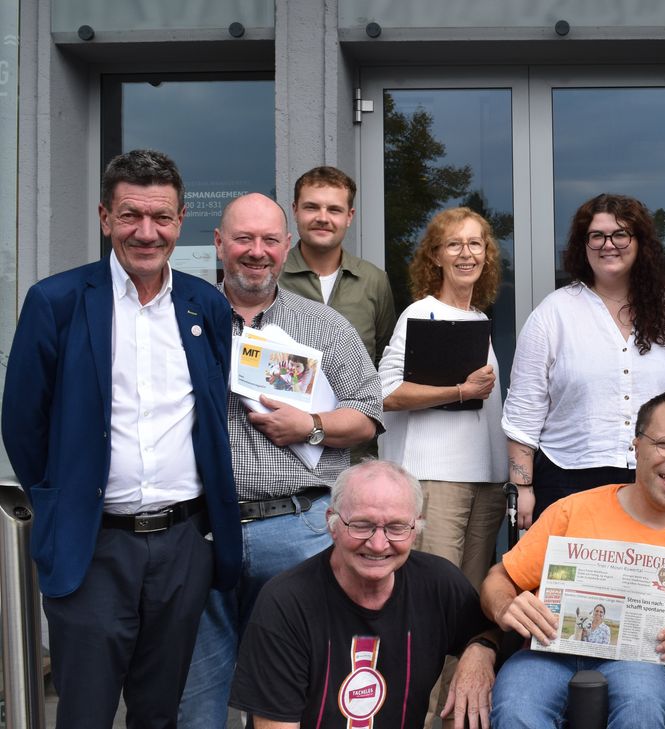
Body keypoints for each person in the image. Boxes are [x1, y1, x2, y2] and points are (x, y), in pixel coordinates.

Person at [1, 149, 241, 728]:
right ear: (105, 217)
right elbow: (22, 423)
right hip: (94, 546)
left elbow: (208, 414)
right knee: (85, 711)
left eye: (161, 217)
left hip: (184, 544)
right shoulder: (56, 301)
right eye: (131, 215)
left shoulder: (204, 304)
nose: (146, 232)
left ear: (180, 220)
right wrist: (64, 498)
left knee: (160, 714)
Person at [178, 193, 384, 728]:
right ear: (219, 244)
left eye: (270, 240)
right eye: (243, 239)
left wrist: (310, 425)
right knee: (198, 697)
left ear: (286, 246)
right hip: (202, 531)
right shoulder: (181, 323)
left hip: (300, 529)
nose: (257, 252)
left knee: (299, 695)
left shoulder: (323, 325)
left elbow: (368, 414)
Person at [482, 391, 665, 729]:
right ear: (636, 445)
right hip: (548, 653)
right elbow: (499, 578)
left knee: (643, 706)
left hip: (643, 663)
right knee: (515, 707)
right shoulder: (573, 511)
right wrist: (505, 605)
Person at [229, 460, 498, 729]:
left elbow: (493, 632)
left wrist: (481, 650)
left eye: (396, 527)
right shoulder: (286, 602)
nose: (378, 544)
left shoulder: (439, 583)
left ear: (415, 528)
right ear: (332, 523)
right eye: (361, 525)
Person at [502, 193, 665, 527]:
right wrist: (523, 485)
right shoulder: (553, 313)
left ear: (640, 242)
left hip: (661, 482)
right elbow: (524, 409)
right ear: (583, 245)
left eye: (620, 234)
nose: (608, 244)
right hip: (567, 482)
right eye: (597, 235)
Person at [377, 206, 508, 725]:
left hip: (486, 482)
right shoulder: (421, 314)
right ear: (435, 254)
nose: (467, 253)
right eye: (454, 244)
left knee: (470, 615)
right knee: (431, 608)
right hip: (438, 478)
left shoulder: (478, 320)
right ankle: (417, 716)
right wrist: (458, 390)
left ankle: (457, 719)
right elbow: (384, 393)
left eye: (476, 244)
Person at [280, 165, 396, 462]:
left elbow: (382, 360)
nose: (322, 217)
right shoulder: (273, 277)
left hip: (356, 454)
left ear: (349, 217)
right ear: (294, 210)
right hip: (284, 452)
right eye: (311, 207)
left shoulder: (374, 280)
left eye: (334, 209)